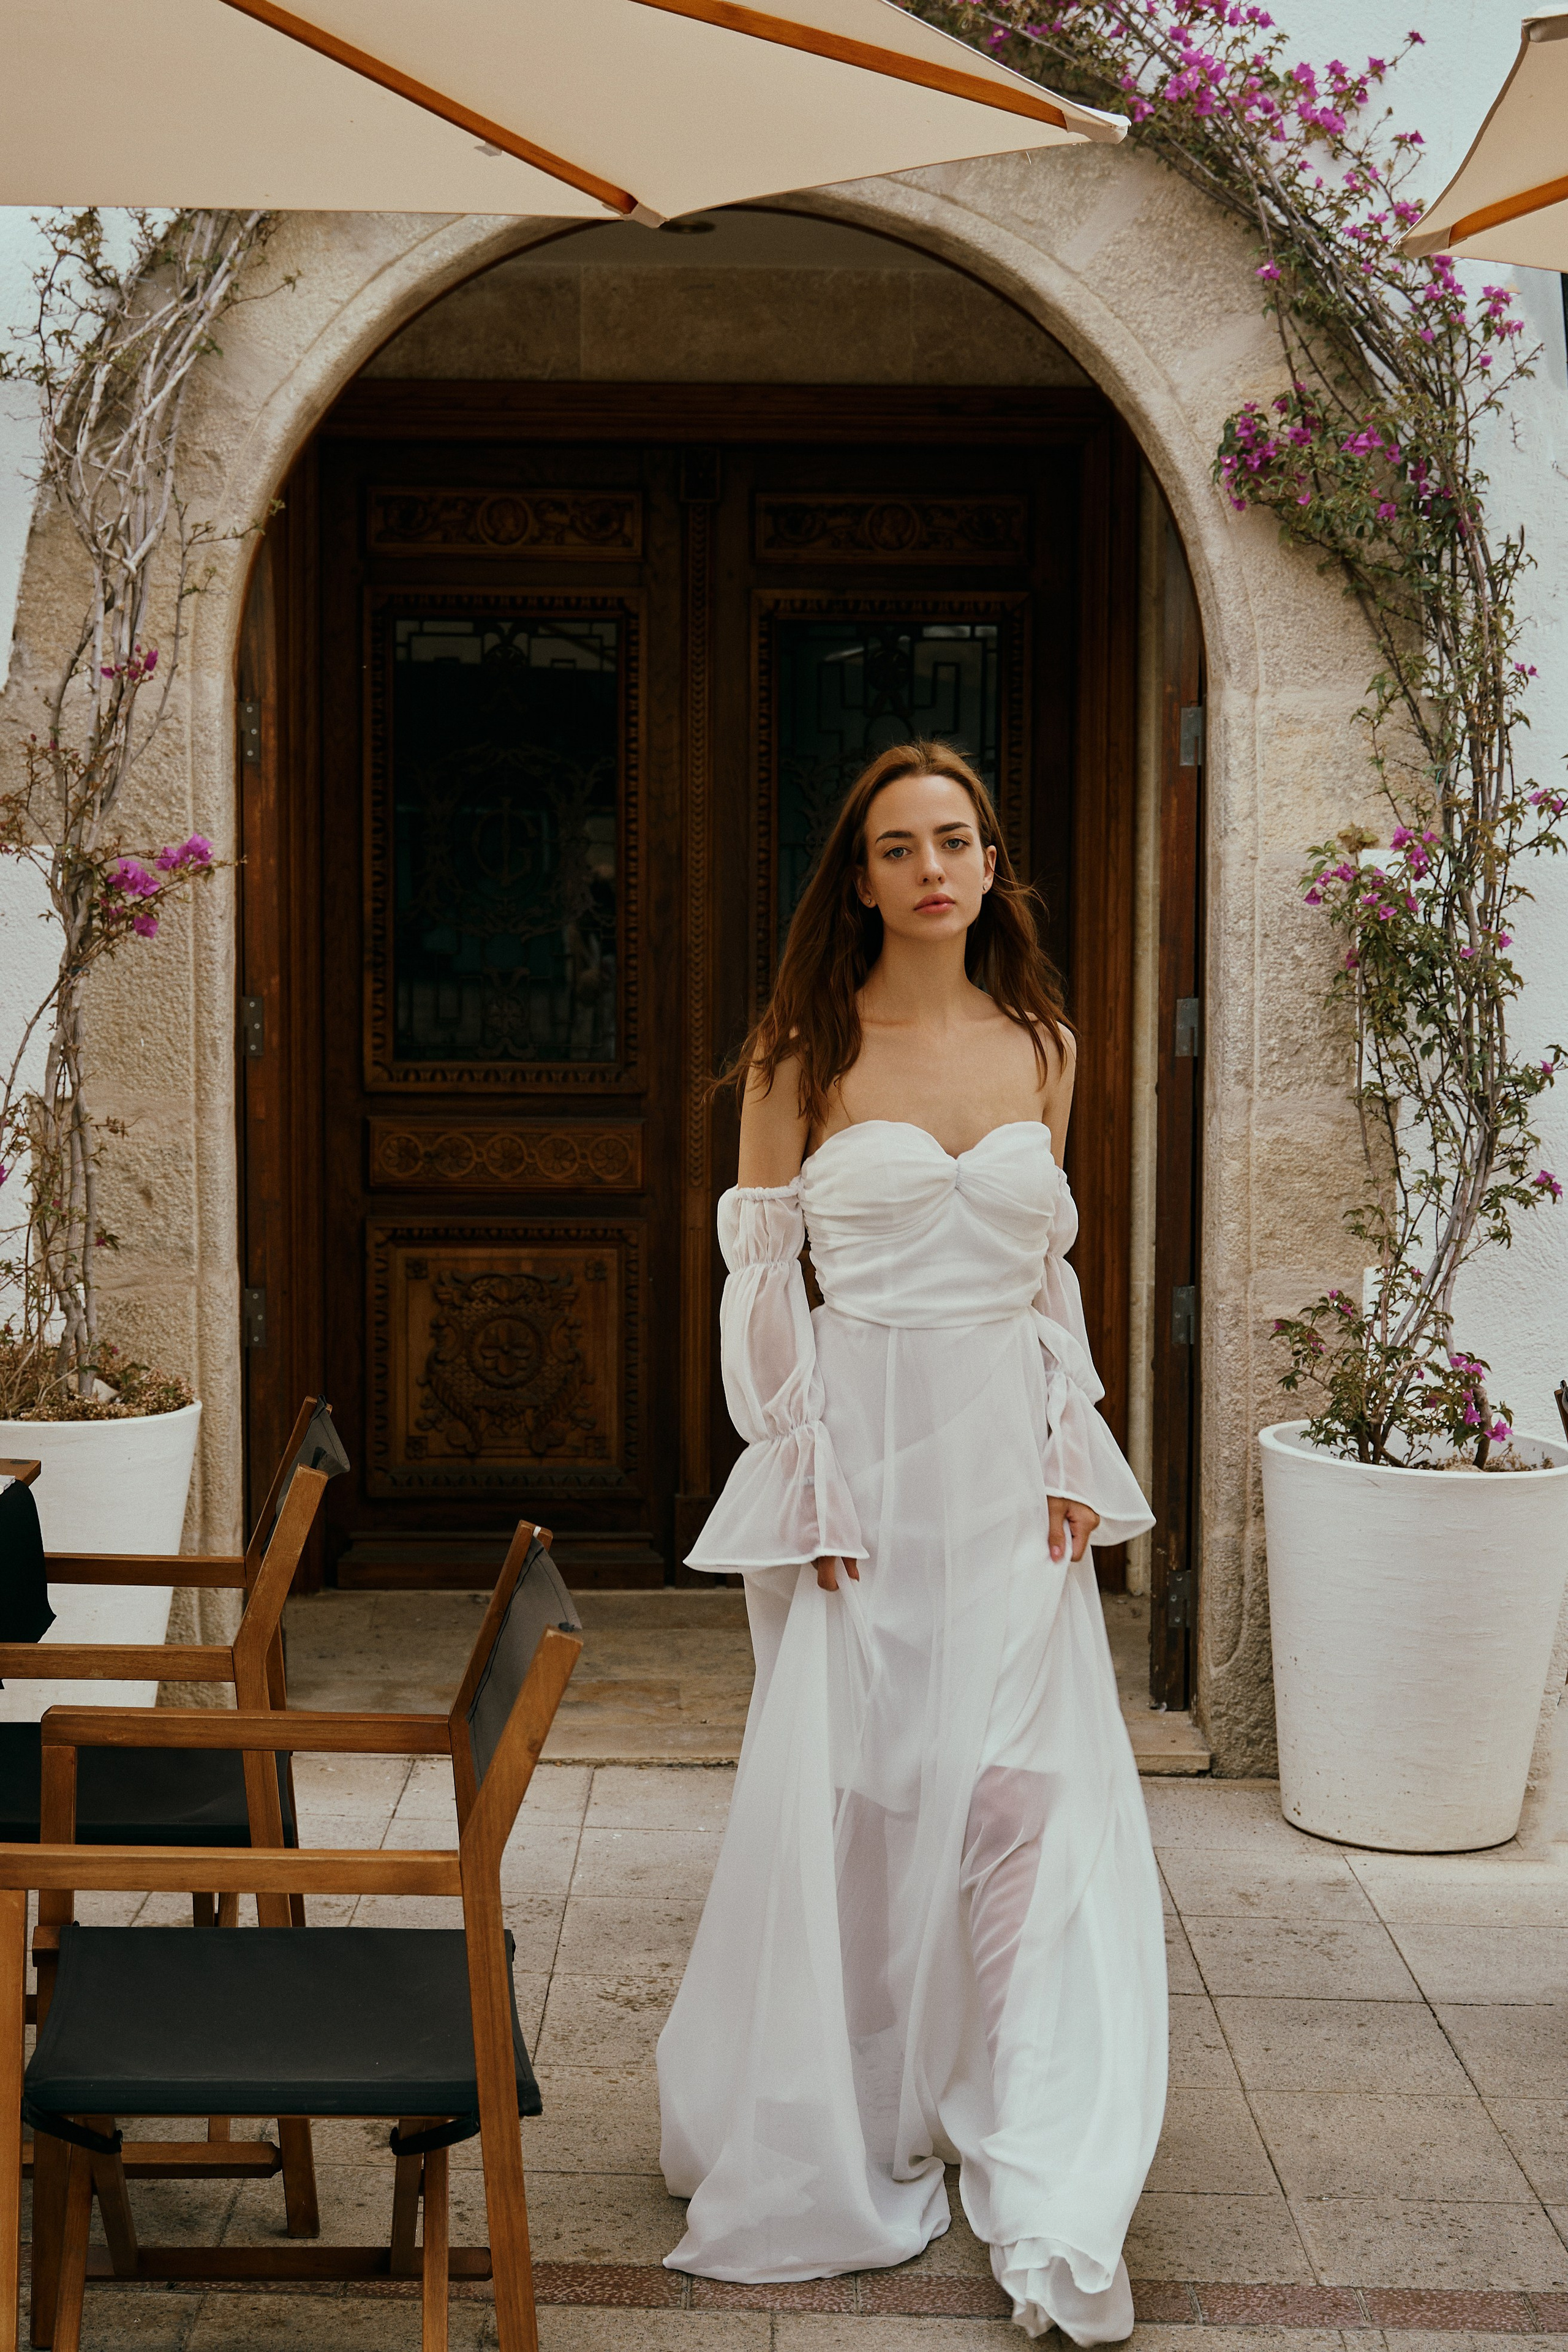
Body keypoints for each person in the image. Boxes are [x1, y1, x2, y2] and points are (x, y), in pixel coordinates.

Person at [657, 741, 1166, 2344]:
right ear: (860, 875)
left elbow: (1047, 1279)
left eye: (957, 839)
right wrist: (802, 1479)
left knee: (1026, 1801)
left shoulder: (1049, 1043)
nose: (933, 867)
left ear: (994, 861)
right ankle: (857, 2093)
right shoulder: (802, 1048)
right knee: (871, 1798)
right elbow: (760, 1280)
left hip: (1012, 1481)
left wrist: (1078, 1443)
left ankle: (1039, 2125)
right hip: (864, 1474)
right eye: (898, 845)